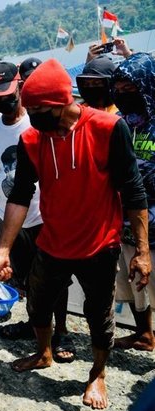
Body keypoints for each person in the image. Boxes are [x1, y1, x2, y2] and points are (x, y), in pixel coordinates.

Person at [0, 59, 150, 410]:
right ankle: (43, 353)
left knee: (99, 314)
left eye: (39, 110)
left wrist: (142, 250)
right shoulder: (33, 137)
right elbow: (20, 194)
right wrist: (4, 249)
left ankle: (98, 373)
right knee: (38, 302)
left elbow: (134, 192)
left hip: (99, 245)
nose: (33, 117)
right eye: (29, 110)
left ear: (61, 102)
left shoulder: (109, 128)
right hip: (53, 242)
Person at [0, 62, 73, 361]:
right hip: (10, 218)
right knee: (27, 279)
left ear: (20, 86)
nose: (0, 104)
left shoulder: (38, 122)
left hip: (46, 216)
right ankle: (36, 324)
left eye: (5, 96)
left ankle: (62, 331)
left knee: (56, 279)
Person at [111, 52, 155, 351]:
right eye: (120, 89)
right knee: (135, 284)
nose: (125, 95)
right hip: (125, 220)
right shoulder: (118, 123)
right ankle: (145, 334)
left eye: (132, 89)